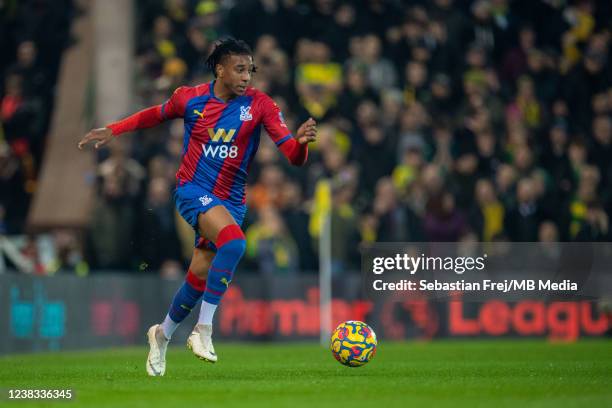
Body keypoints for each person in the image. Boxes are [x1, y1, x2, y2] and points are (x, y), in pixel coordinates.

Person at [78, 38, 317, 376]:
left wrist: (303, 144)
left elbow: (292, 156)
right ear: (220, 69)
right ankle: (203, 330)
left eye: (250, 70)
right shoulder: (190, 99)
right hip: (193, 191)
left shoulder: (261, 105)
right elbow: (154, 115)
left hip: (232, 201)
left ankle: (161, 335)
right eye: (239, 69)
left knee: (198, 276)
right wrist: (115, 129)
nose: (247, 76)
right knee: (234, 243)